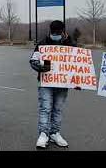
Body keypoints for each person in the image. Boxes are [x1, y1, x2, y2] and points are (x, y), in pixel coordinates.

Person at [29, 20, 77, 149]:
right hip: (46, 82)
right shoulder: (42, 44)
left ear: (63, 32)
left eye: (58, 32)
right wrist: (40, 67)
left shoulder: (70, 44)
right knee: (45, 108)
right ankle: (44, 134)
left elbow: (79, 63)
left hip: (62, 83)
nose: (55, 34)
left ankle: (54, 133)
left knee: (58, 109)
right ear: (50, 31)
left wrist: (78, 81)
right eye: (53, 32)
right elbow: (33, 60)